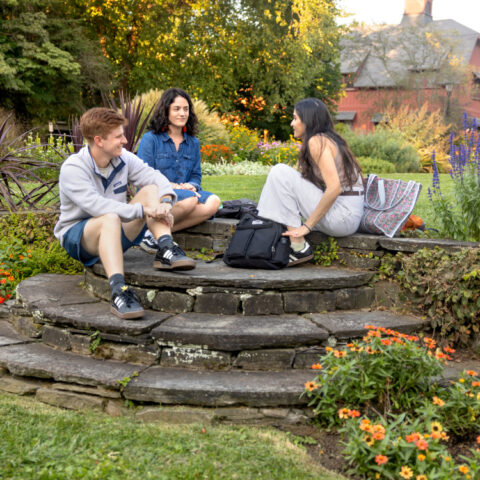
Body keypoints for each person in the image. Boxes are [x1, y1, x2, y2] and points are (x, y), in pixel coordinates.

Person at [54, 107, 196, 320]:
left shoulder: (124, 158)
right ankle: (119, 291)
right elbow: (97, 206)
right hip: (81, 239)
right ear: (99, 140)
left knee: (150, 190)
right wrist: (142, 210)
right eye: (118, 136)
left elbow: (154, 177)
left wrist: (165, 201)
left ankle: (165, 247)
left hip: (116, 232)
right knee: (109, 217)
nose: (124, 140)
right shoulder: (73, 168)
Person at [257, 98, 364, 267]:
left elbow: (334, 188)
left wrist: (307, 226)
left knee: (279, 171)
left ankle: (298, 246)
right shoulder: (328, 139)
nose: (292, 123)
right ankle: (289, 240)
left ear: (307, 120)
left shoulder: (317, 142)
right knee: (285, 177)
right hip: (347, 216)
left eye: (295, 118)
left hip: (342, 216)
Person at [137, 87, 220, 253]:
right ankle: (155, 231)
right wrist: (174, 187)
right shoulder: (150, 139)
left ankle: (153, 234)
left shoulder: (193, 143)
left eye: (186, 109)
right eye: (176, 109)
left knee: (214, 201)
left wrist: (192, 186)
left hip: (186, 193)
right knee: (190, 200)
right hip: (158, 195)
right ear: (165, 111)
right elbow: (143, 178)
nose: (182, 113)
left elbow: (196, 175)